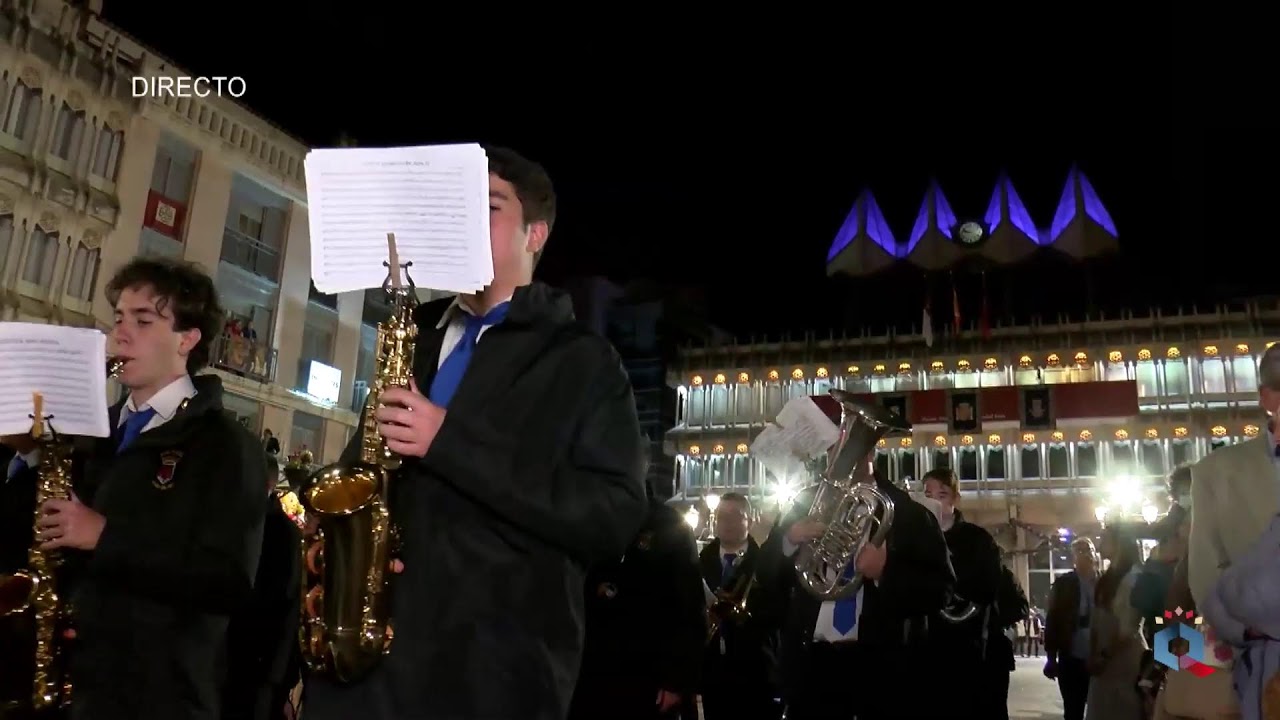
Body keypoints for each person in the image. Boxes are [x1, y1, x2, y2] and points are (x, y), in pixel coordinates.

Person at [301, 146, 649, 720]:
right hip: (371, 663)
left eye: (487, 206)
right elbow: (366, 470)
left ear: (535, 234)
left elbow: (613, 515)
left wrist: (448, 441)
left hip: (488, 673)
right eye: (455, 206)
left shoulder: (584, 361)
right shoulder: (415, 336)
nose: (463, 220)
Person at [35, 257, 268, 720]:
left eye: (143, 321)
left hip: (163, 698)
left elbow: (228, 579)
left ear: (187, 339)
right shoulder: (93, 433)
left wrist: (104, 537)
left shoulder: (225, 444)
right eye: (119, 318)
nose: (120, 334)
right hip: (80, 688)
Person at [754, 395, 955, 720]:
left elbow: (941, 590)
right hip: (811, 664)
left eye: (849, 448)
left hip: (877, 669)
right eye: (833, 449)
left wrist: (886, 571)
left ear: (871, 451)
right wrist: (789, 540)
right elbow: (764, 575)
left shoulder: (909, 513)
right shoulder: (804, 504)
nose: (839, 459)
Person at [569, 442, 705, 720]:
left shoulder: (669, 525)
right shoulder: (585, 517)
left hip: (645, 675)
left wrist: (675, 679)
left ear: (643, 465)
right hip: (587, 670)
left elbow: (689, 607)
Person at [921, 467, 1016, 719]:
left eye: (941, 495)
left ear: (955, 498)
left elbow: (988, 587)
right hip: (925, 652)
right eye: (927, 495)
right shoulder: (913, 540)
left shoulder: (978, 540)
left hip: (968, 651)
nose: (934, 502)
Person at [222, 451, 303, 720]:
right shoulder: (238, 519)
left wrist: (279, 678)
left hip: (260, 664)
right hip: (229, 658)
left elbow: (286, 604)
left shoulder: (282, 531)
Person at [698, 492, 781, 720]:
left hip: (756, 670)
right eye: (722, 516)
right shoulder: (700, 561)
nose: (728, 522)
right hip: (713, 674)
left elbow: (778, 610)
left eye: (736, 516)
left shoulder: (765, 561)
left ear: (750, 521)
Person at [1084, 523, 1145, 720]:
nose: (1100, 544)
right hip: (1103, 659)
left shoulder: (1132, 577)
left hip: (1122, 658)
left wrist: (1104, 655)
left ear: (1119, 543)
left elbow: (1128, 628)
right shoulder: (1108, 577)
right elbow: (1096, 620)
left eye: (1105, 539)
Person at [1043, 537, 1099, 720]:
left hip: (1099, 655)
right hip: (1071, 654)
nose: (1086, 554)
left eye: (1089, 550)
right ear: (1073, 556)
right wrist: (1051, 658)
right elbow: (1053, 619)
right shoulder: (1064, 584)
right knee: (1073, 709)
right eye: (1080, 551)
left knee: (1099, 709)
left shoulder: (1104, 582)